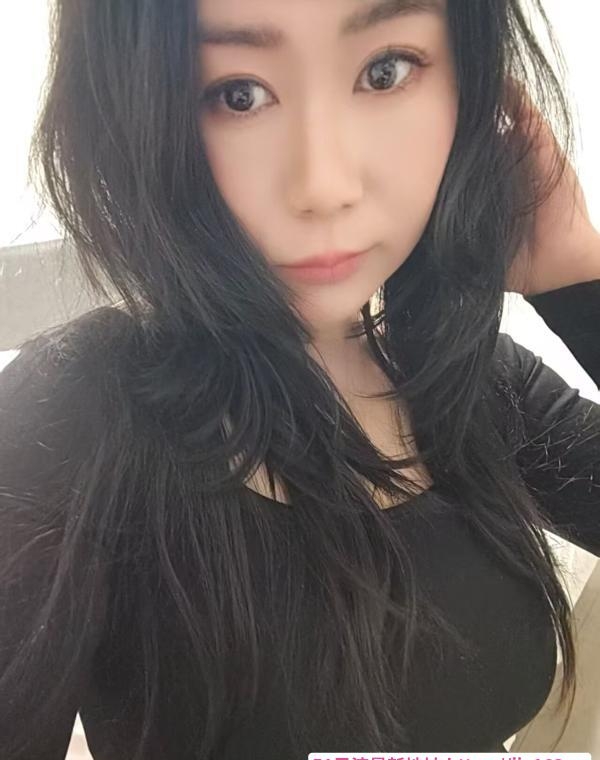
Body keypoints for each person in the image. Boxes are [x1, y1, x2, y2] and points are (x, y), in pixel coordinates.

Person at [1, 0, 599, 757]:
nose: (323, 185)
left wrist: (579, 277)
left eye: (385, 72)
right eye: (237, 94)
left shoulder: (471, 381)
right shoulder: (70, 422)